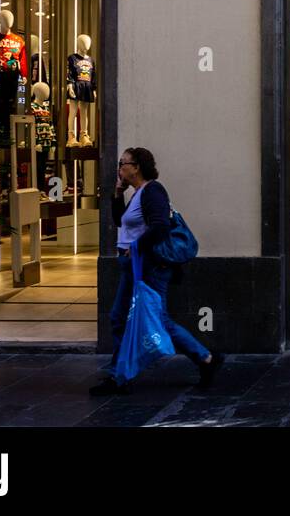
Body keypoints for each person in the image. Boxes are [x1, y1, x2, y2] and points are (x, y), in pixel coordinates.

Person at [90, 147, 223, 396]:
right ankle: (119, 374)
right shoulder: (138, 193)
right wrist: (118, 193)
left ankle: (205, 358)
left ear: (136, 166)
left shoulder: (153, 191)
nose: (119, 167)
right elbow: (120, 221)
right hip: (134, 266)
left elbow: (160, 226)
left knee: (157, 320)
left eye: (123, 163)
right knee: (119, 318)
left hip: (149, 267)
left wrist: (136, 247)